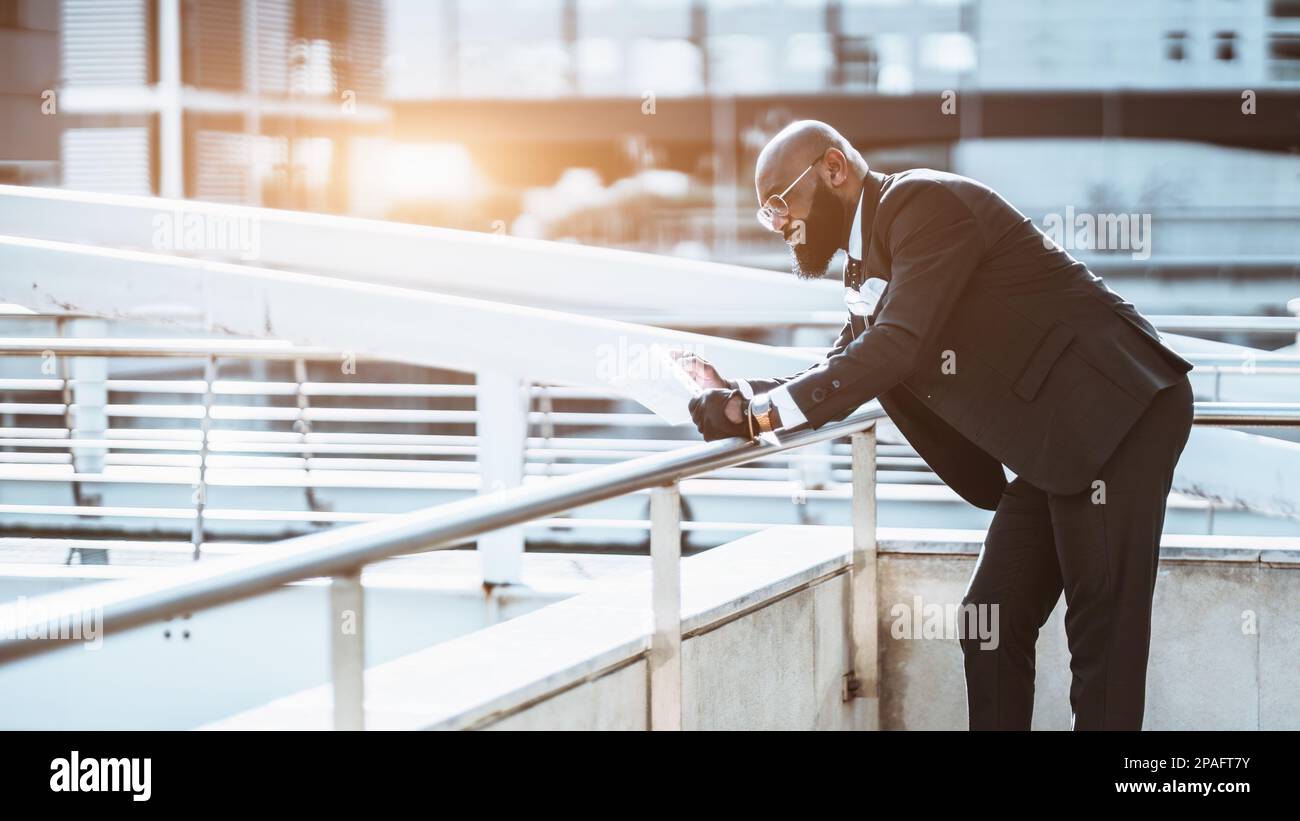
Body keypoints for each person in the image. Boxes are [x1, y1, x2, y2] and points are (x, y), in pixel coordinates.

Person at [680, 120, 1195, 730]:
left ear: (834, 169)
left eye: (778, 204)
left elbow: (895, 346)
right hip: (1051, 442)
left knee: (1102, 635)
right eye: (766, 214)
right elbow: (843, 363)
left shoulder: (921, 204)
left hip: (1115, 409)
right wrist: (737, 400)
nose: (778, 225)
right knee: (990, 618)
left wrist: (760, 414)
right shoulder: (867, 257)